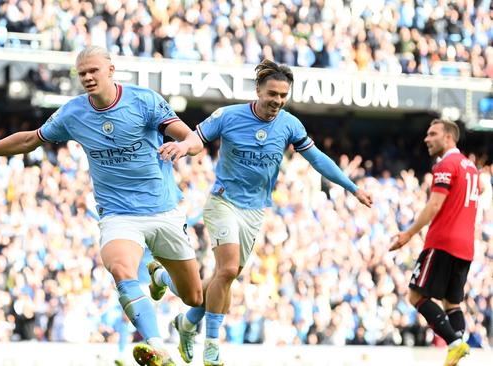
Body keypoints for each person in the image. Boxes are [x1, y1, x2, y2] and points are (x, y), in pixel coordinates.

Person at [0, 45, 203, 366]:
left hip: (164, 210)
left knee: (193, 296)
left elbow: (188, 136)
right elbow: (29, 140)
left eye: (94, 71)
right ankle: (157, 345)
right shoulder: (73, 113)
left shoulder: (143, 100)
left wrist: (184, 146)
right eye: (82, 74)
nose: (88, 78)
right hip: (118, 215)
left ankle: (160, 279)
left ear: (110, 70)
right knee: (120, 269)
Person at [146, 59, 372, 365]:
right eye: (272, 94)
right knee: (226, 270)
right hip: (223, 202)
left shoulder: (290, 125)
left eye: (283, 95)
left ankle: (183, 319)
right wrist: (183, 148)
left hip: (254, 212)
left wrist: (352, 187)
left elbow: (317, 159)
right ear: (258, 91)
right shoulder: (229, 115)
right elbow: (197, 139)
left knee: (221, 281)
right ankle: (211, 346)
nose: (277, 101)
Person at [390, 119, 477, 366]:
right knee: (452, 303)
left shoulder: (445, 164)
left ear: (448, 137)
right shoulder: (470, 167)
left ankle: (454, 344)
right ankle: (457, 352)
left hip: (443, 242)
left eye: (432, 134)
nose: (427, 139)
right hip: (465, 246)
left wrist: (408, 233)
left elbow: (435, 204)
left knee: (415, 296)